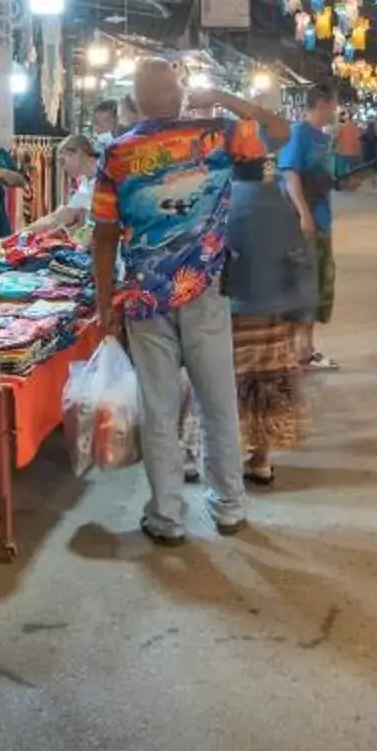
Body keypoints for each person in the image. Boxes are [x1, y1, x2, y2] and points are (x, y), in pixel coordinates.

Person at [90, 60, 280, 544]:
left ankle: (167, 517)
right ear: (180, 95)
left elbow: (104, 237)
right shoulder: (215, 137)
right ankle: (231, 508)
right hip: (205, 291)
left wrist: (105, 303)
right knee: (219, 402)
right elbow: (280, 131)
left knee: (159, 408)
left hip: (145, 298)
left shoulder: (116, 154)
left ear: (134, 100)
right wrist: (222, 96)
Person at [224, 142, 317, 486]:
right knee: (266, 388)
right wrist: (304, 316)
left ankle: (223, 459)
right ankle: (261, 461)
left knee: (229, 387)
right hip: (275, 314)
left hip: (231, 312)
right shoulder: (281, 204)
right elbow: (301, 260)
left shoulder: (222, 202)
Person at [280, 87, 348, 370]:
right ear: (323, 102)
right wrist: (303, 214)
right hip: (307, 223)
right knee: (306, 285)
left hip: (322, 218)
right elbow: (290, 173)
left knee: (321, 282)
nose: (336, 110)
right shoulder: (299, 134)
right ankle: (300, 352)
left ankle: (306, 349)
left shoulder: (322, 137)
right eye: (334, 103)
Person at [12, 132, 101, 241]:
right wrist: (21, 233)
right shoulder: (86, 181)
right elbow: (59, 216)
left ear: (78, 153)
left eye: (63, 161)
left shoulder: (105, 176)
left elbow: (59, 217)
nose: (63, 167)